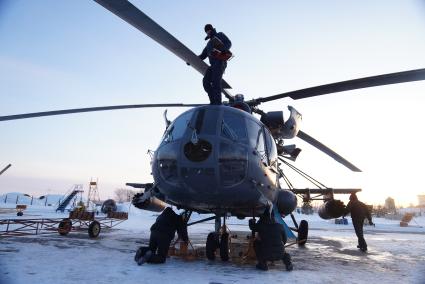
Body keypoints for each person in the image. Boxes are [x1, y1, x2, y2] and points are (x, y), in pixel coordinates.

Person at [198, 24, 232, 105]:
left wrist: (223, 50)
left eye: (209, 30)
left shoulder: (219, 35)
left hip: (220, 62)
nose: (208, 32)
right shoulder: (209, 44)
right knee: (206, 82)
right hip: (213, 65)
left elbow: (228, 43)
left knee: (215, 82)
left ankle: (217, 103)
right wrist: (191, 59)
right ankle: (213, 101)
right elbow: (203, 55)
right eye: (207, 31)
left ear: (212, 29)